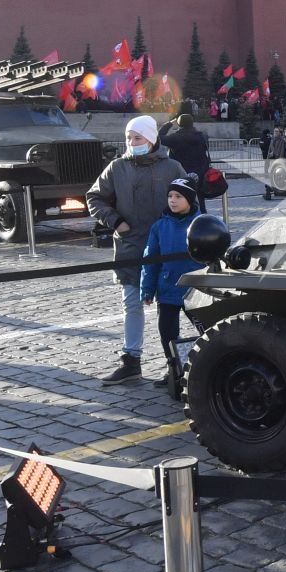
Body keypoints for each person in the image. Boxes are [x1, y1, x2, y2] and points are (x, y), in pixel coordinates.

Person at [88, 115, 189, 384]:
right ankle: (131, 360)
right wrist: (115, 221)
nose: (132, 143)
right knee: (132, 304)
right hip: (131, 248)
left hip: (166, 249)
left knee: (171, 307)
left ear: (151, 139)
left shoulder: (172, 168)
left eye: (137, 138)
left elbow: (189, 201)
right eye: (129, 138)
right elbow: (94, 197)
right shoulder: (117, 168)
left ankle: (175, 365)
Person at [141, 176, 205, 392]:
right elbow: (150, 260)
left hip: (196, 290)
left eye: (178, 196)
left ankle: (209, 364)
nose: (173, 200)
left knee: (206, 330)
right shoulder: (159, 227)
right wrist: (147, 288)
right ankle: (173, 369)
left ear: (189, 199)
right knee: (167, 333)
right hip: (168, 289)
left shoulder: (202, 223)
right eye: (170, 196)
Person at [162, 112, 211, 185]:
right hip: (200, 172)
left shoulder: (174, 138)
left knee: (181, 194)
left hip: (180, 173)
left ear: (179, 124)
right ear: (192, 123)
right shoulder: (202, 136)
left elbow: (159, 137)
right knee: (198, 194)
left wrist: (169, 124)